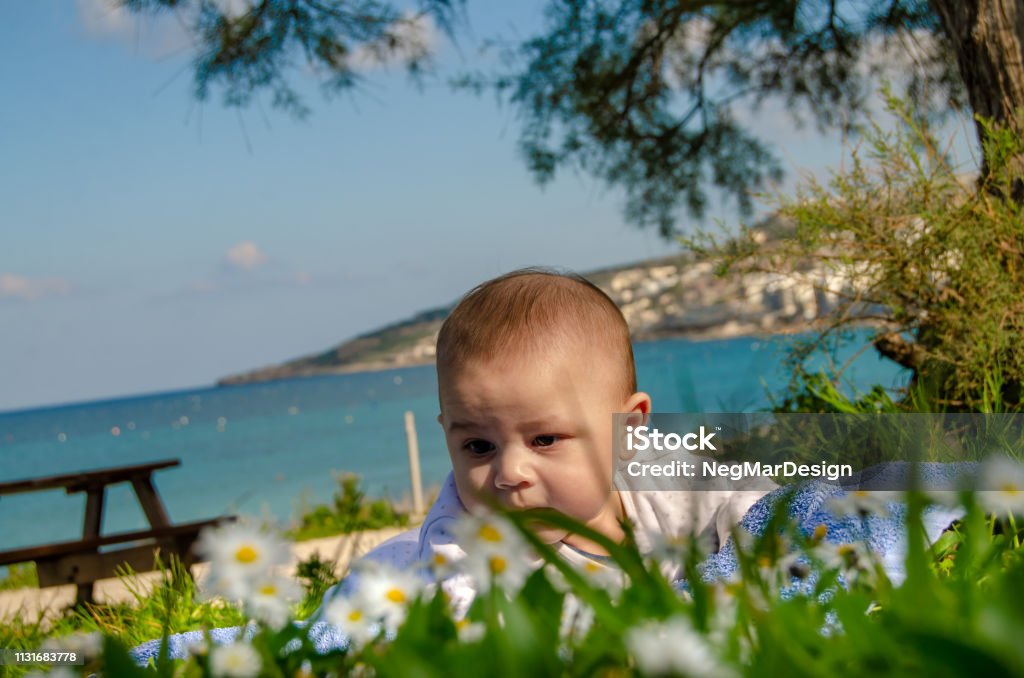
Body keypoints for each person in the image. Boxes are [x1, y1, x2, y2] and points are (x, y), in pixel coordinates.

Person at [327, 268, 775, 609]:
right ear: (448, 435)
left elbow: (759, 505)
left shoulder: (663, 480)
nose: (509, 474)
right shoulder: (462, 551)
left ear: (628, 431)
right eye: (479, 447)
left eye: (544, 440)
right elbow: (470, 631)